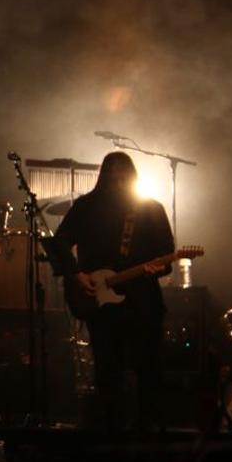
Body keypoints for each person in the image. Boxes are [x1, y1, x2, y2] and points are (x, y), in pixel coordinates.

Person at [52, 151, 173, 430]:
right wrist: (75, 274)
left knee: (149, 368)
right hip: (101, 303)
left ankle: (150, 432)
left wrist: (161, 268)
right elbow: (59, 243)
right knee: (108, 370)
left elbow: (166, 254)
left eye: (123, 175)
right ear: (104, 176)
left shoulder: (150, 209)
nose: (118, 180)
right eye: (113, 175)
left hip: (143, 300)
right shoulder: (86, 207)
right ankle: (110, 432)